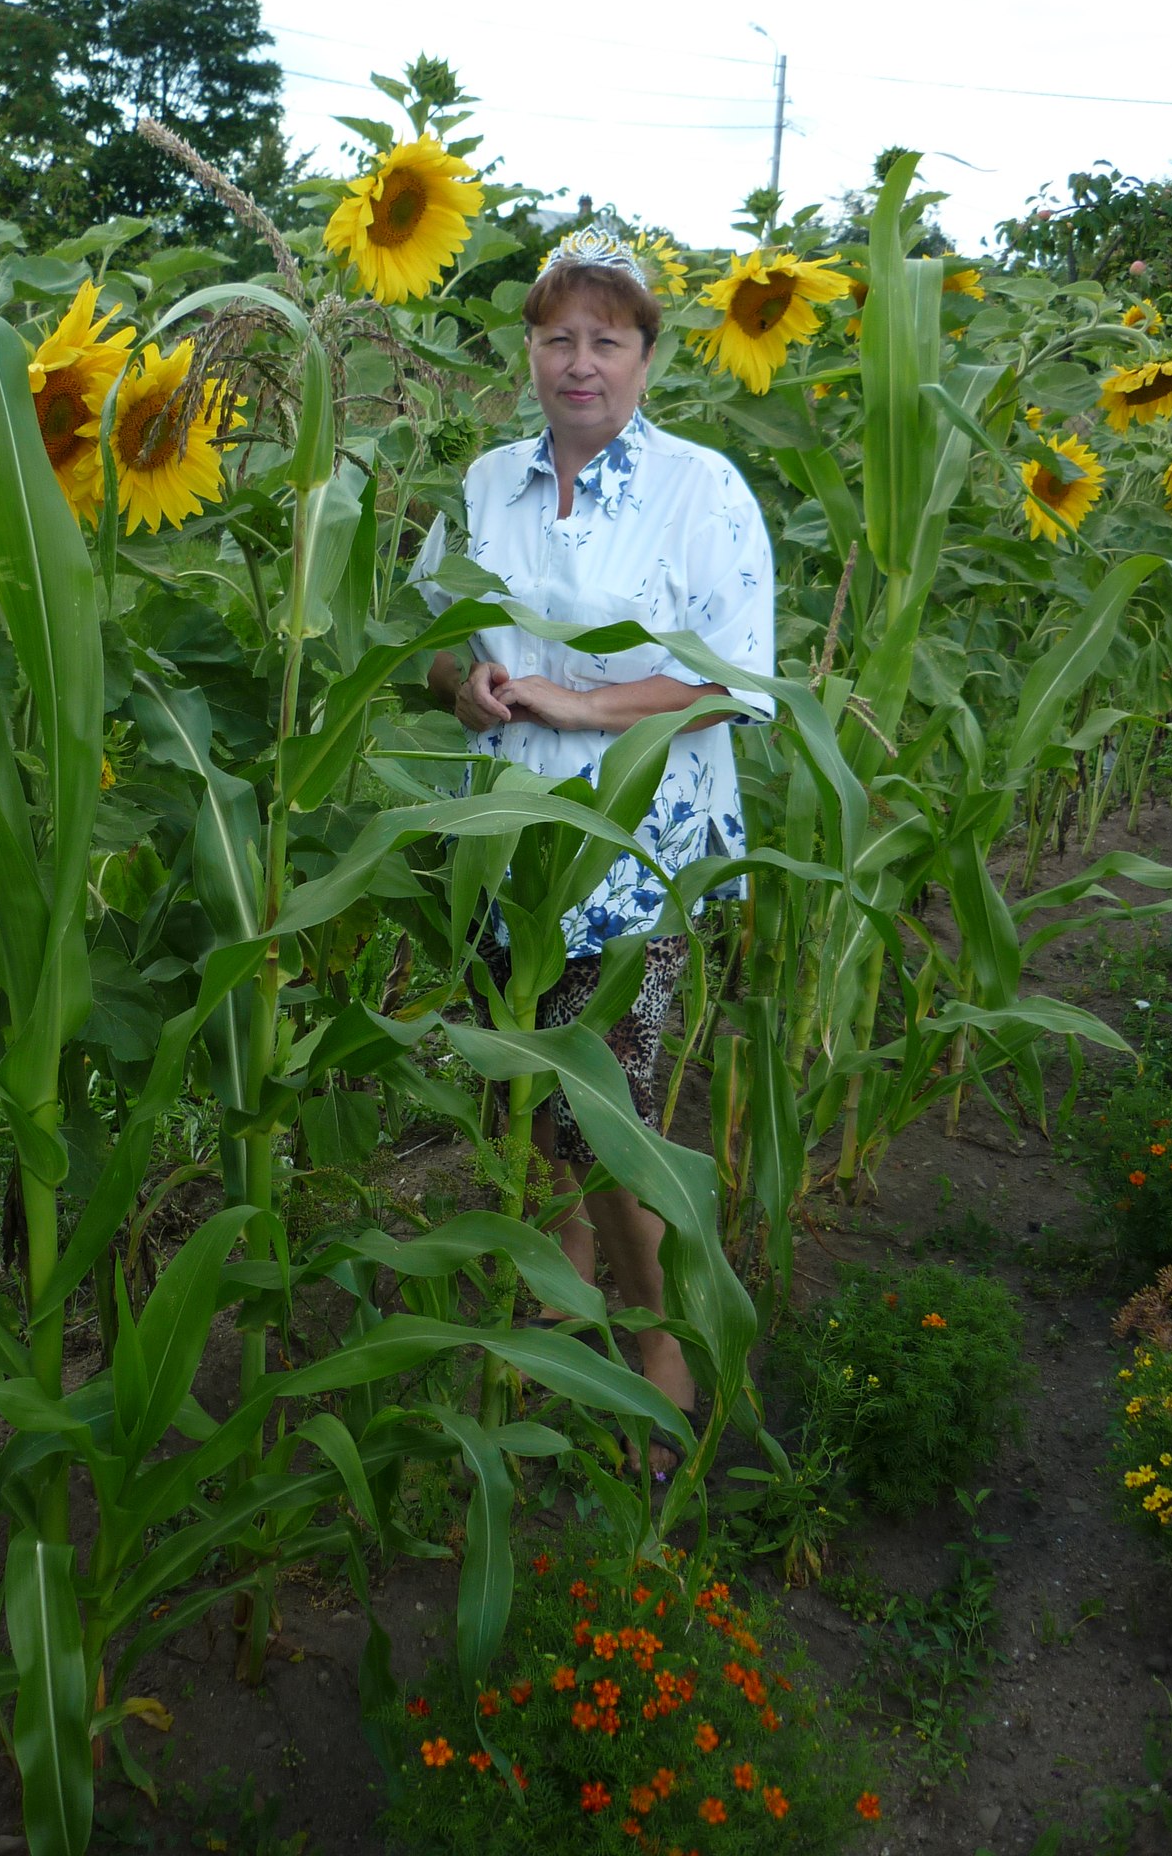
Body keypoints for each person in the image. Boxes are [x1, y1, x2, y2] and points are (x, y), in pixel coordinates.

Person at [413, 219, 774, 1480]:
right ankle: (560, 1321)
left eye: (606, 341)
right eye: (558, 338)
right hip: (499, 847)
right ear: (528, 350)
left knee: (604, 1116)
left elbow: (735, 685)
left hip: (634, 852)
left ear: (645, 358)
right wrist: (462, 684)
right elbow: (431, 634)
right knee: (525, 1098)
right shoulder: (486, 483)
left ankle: (667, 1353)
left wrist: (585, 704)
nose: (580, 363)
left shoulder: (701, 490)